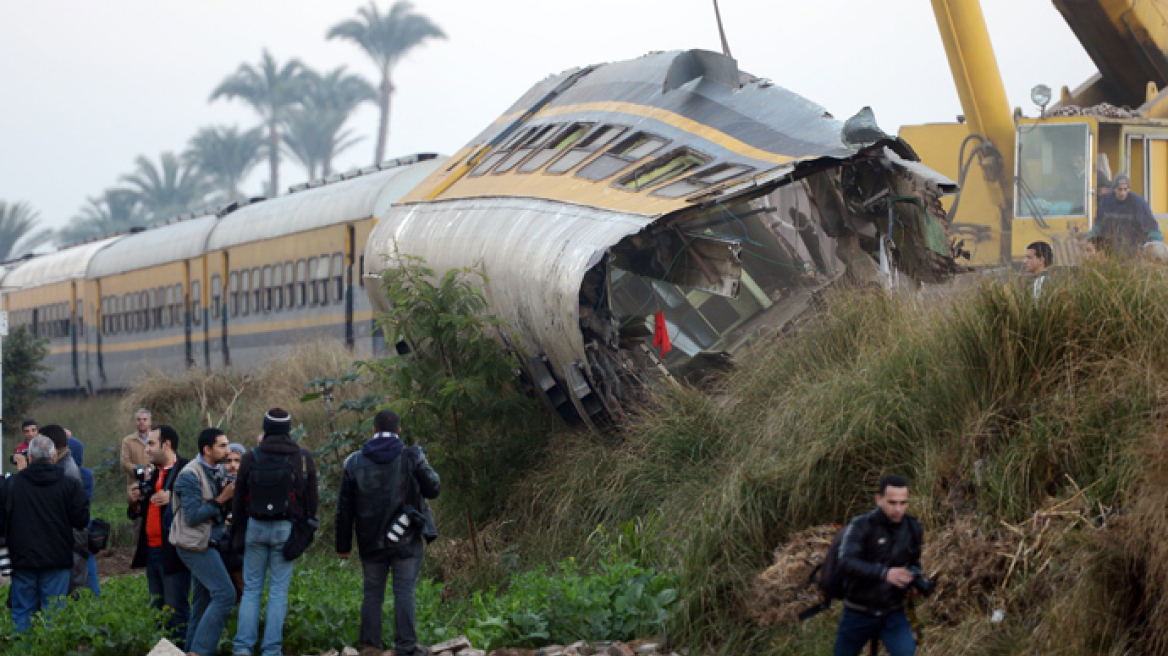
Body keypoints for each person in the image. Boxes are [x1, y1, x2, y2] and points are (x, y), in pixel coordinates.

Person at [337, 410, 440, 656]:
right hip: (406, 539)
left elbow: (344, 509)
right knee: (404, 591)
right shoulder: (410, 456)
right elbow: (433, 488)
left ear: (373, 430)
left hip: (370, 541)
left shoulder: (354, 462)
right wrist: (420, 461)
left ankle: (370, 647)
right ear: (399, 431)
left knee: (372, 593)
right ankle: (406, 646)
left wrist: (343, 546)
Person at [231, 409, 319, 656]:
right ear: (288, 429)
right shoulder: (300, 457)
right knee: (278, 592)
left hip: (255, 528)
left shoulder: (251, 457)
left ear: (266, 428)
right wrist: (305, 529)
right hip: (285, 528)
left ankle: (242, 648)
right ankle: (271, 650)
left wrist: (237, 533)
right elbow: (312, 499)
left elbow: (238, 499)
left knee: (251, 590)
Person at [0, 435, 89, 632]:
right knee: (54, 614)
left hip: (22, 558)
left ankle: (23, 651)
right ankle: (51, 650)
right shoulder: (69, 485)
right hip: (57, 558)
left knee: (22, 611)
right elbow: (81, 520)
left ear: (29, 457)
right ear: (54, 457)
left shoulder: (11, 484)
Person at [833, 475, 924, 656]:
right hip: (858, 611)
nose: (898, 509)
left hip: (892, 611)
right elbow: (845, 562)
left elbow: (914, 563)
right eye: (892, 502)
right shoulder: (860, 525)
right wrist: (884, 573)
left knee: (906, 652)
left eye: (903, 503)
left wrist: (914, 584)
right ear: (878, 499)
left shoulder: (913, 527)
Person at [174, 428, 236, 656]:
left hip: (208, 542)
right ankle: (199, 652)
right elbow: (191, 516)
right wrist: (222, 499)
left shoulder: (216, 469)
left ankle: (190, 650)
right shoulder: (190, 475)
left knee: (202, 603)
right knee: (225, 594)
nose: (228, 451)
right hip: (194, 546)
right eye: (222, 446)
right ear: (207, 449)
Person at [129, 425, 191, 647]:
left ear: (167, 444)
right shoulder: (153, 473)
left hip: (174, 552)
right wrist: (134, 500)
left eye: (151, 444)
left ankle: (183, 650)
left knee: (176, 613)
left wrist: (173, 497)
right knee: (159, 613)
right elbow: (140, 512)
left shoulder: (187, 469)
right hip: (153, 552)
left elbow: (204, 500)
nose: (146, 449)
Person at [1088, 172, 1164, 255]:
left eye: (1125, 189)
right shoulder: (1106, 202)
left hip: (1135, 249)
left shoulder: (1138, 203)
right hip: (1112, 249)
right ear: (1114, 189)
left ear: (1128, 189)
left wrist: (1159, 246)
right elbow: (1098, 225)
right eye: (1119, 189)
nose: (1122, 193)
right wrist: (1089, 239)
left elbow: (1152, 228)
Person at [69, 435, 101, 597]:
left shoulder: (78, 475)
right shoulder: (86, 474)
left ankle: (91, 594)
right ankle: (94, 595)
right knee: (88, 560)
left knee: (83, 562)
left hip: (77, 527)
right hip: (84, 525)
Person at [121, 408, 154, 486]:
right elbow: (124, 462)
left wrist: (150, 469)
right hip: (135, 484)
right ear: (135, 422)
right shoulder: (128, 441)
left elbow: (162, 458)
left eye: (144, 419)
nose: (141, 422)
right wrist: (140, 471)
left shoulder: (157, 439)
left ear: (150, 422)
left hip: (154, 481)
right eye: (139, 420)